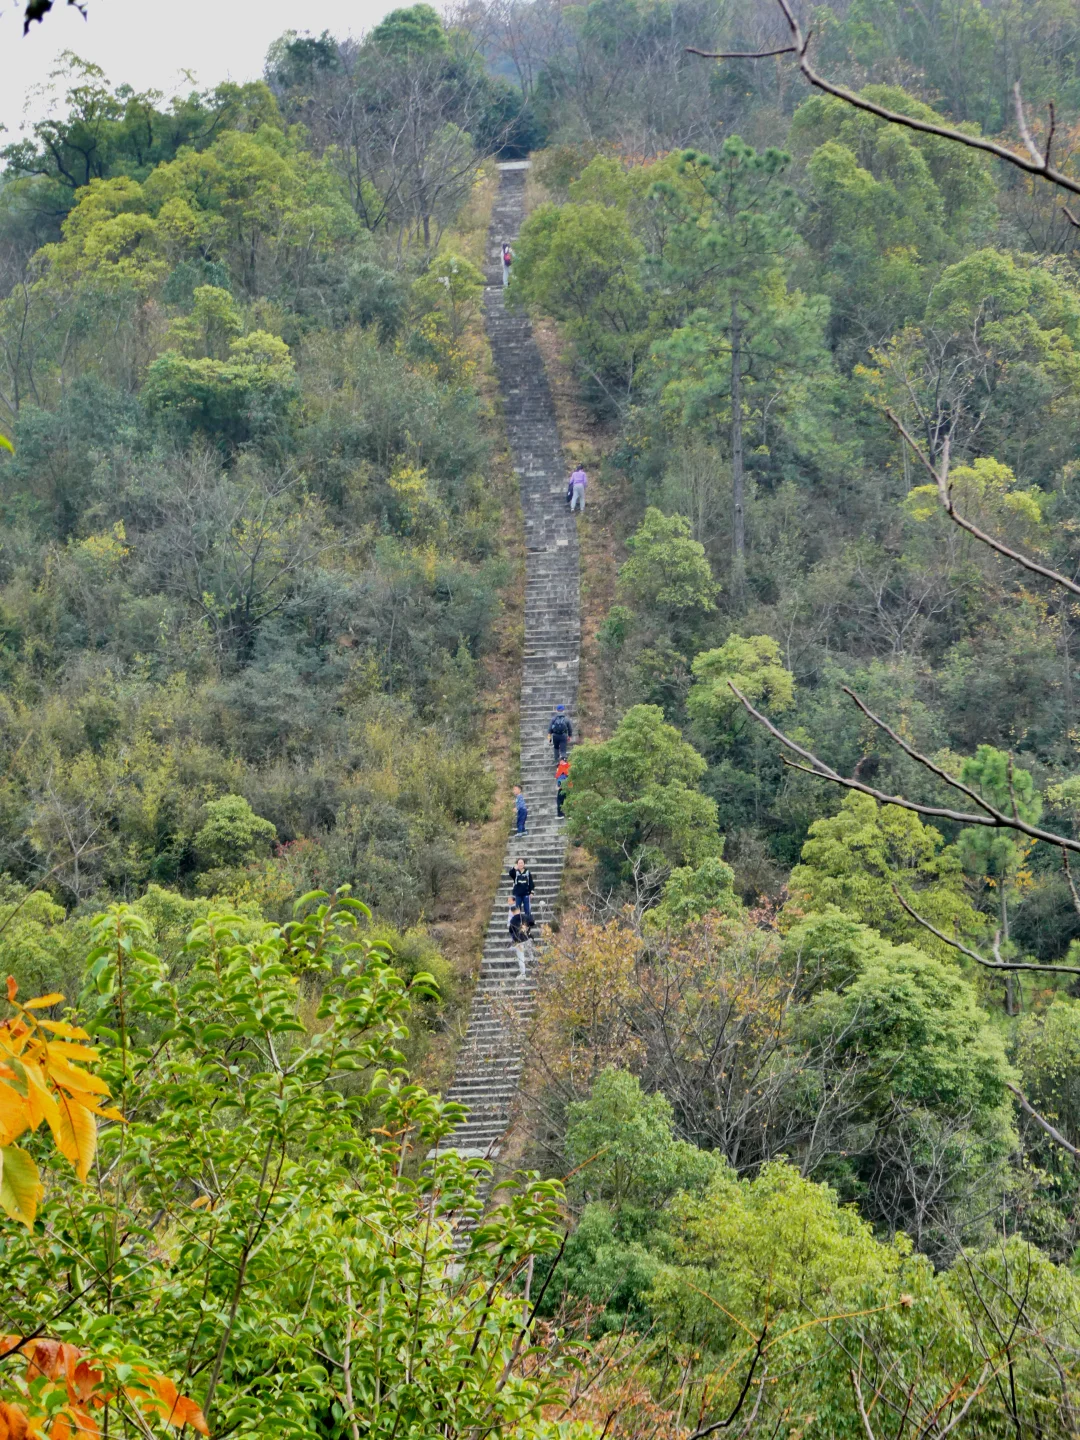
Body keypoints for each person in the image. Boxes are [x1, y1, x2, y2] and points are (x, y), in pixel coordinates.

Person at [508, 899, 530, 980]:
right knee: (530, 954)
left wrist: (514, 941)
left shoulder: (512, 921)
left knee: (521, 957)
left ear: (512, 912)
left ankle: (523, 973)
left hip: (519, 941)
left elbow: (511, 932)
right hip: (527, 939)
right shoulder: (524, 917)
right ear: (519, 910)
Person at [508, 856, 535, 924]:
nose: (520, 864)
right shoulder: (515, 872)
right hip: (518, 894)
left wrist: (532, 892)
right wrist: (514, 868)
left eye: (522, 863)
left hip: (526, 893)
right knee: (517, 910)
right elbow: (510, 873)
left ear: (524, 864)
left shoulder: (527, 872)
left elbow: (531, 883)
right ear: (517, 864)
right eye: (519, 863)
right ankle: (518, 924)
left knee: (527, 910)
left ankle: (527, 924)